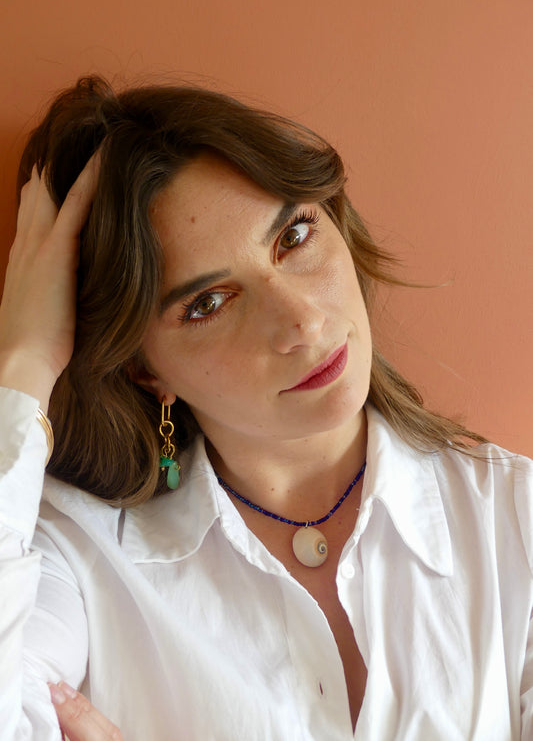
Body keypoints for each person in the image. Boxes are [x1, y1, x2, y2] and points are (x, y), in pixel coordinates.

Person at [0, 75, 531, 741]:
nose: (301, 321)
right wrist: (24, 361)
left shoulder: (514, 519)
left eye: (294, 237)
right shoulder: (72, 558)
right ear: (144, 369)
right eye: (208, 303)